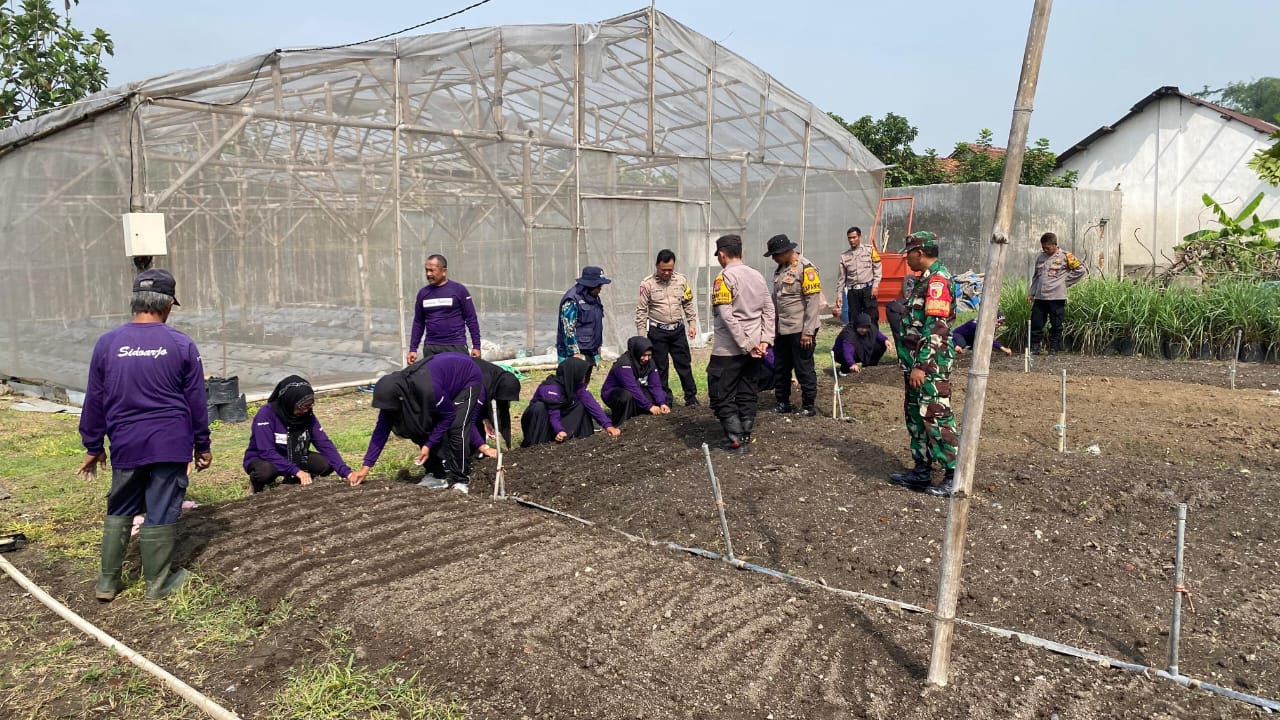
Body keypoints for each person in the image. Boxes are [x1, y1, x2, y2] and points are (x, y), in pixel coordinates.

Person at [77, 269, 211, 601]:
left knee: (120, 505)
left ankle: (107, 582)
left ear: (135, 302)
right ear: (167, 305)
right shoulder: (181, 344)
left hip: (126, 441)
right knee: (162, 506)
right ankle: (158, 583)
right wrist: (202, 445)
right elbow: (196, 400)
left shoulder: (108, 344)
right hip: (170, 441)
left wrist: (94, 445)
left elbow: (95, 398)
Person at [888, 232, 961, 498]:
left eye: (908, 253)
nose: (906, 259)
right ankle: (921, 470)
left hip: (930, 366)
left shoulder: (938, 282)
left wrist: (922, 365)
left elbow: (936, 328)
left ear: (920, 252)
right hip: (915, 365)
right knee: (916, 416)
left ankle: (954, 474)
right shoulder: (925, 280)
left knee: (936, 415)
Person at [349, 352, 483, 493]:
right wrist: (365, 468)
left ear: (400, 398)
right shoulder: (393, 399)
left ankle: (461, 479)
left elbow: (448, 416)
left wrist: (429, 444)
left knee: (457, 427)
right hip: (442, 381)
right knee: (417, 426)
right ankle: (437, 473)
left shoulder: (428, 390)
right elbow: (380, 433)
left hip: (466, 376)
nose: (389, 411)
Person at [708, 234, 775, 453]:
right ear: (741, 253)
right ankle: (745, 432)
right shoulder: (757, 275)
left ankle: (735, 439)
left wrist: (746, 344)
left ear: (722, 254)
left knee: (720, 393)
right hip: (755, 347)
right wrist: (765, 340)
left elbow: (727, 316)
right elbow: (768, 309)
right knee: (748, 390)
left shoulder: (724, 278)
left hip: (728, 349)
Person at [243, 375, 353, 493]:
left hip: (295, 454)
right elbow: (266, 451)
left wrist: (346, 472)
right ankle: (256, 487)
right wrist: (296, 471)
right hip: (265, 458)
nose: (306, 410)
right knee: (266, 472)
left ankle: (293, 480)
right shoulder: (266, 414)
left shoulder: (307, 415)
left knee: (326, 464)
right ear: (290, 401)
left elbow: (324, 443)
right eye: (303, 406)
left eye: (309, 406)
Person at [766, 233, 822, 416]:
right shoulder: (780, 270)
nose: (773, 258)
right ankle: (783, 402)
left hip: (800, 329)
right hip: (783, 329)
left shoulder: (806, 269)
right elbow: (777, 300)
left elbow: (813, 303)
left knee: (803, 367)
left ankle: (808, 405)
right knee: (781, 367)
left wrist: (808, 332)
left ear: (785, 251)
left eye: (775, 254)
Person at [635, 249, 701, 407]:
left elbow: (688, 303)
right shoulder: (647, 284)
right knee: (660, 367)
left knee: (684, 364)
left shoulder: (681, 281)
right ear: (657, 266)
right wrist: (642, 338)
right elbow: (641, 311)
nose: (666, 273)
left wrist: (692, 324)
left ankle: (691, 398)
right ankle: (664, 400)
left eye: (670, 269)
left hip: (677, 330)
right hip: (658, 332)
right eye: (663, 269)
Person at [521, 357, 621, 445]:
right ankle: (538, 442)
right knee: (540, 407)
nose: (584, 379)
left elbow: (592, 404)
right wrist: (559, 430)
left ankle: (580, 438)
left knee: (581, 405)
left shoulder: (576, 386)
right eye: (582, 375)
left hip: (557, 418)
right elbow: (553, 413)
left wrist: (608, 426)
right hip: (541, 420)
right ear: (573, 374)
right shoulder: (551, 388)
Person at [406, 254, 482, 365]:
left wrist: (476, 346)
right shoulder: (423, 293)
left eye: (432, 270)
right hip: (431, 348)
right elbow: (418, 322)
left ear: (444, 271)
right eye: (426, 270)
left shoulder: (459, 290)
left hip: (455, 346)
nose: (428, 274)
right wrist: (413, 348)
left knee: (458, 380)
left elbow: (471, 319)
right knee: (435, 381)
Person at [1028, 232, 1086, 355]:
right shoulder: (1041, 257)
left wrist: (1064, 282)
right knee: (1036, 323)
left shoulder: (1066, 256)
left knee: (1056, 325)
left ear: (1055, 245)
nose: (1045, 249)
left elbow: (1081, 270)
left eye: (1047, 247)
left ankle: (1053, 348)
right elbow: (1036, 277)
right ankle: (1035, 348)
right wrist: (1031, 293)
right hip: (1040, 297)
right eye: (1043, 247)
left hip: (1057, 297)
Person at [601, 336, 670, 425]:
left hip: (637, 388)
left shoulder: (650, 363)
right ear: (637, 352)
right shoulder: (624, 364)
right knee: (626, 396)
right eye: (644, 355)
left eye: (649, 355)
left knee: (663, 395)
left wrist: (662, 403)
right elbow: (631, 387)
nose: (646, 359)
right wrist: (649, 406)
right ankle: (621, 423)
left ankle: (641, 417)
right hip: (614, 393)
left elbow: (655, 385)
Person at [557, 266, 611, 366]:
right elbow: (568, 329)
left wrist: (597, 346)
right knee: (573, 381)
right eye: (598, 286)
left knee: (585, 381)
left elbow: (596, 324)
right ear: (590, 285)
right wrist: (575, 353)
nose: (600, 289)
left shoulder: (595, 298)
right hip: (574, 354)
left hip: (590, 349)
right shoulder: (571, 299)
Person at [833, 226, 882, 324]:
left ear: (860, 237)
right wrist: (839, 295)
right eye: (849, 238)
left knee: (872, 317)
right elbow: (841, 278)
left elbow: (877, 268)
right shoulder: (844, 256)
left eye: (854, 237)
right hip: (853, 291)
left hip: (868, 289)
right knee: (854, 320)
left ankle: (873, 338)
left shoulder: (869, 250)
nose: (851, 240)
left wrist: (875, 285)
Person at [472, 357, 521, 454]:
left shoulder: (500, 378)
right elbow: (468, 419)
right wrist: (484, 448)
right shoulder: (480, 383)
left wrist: (485, 420)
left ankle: (477, 450)